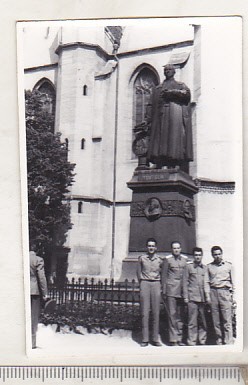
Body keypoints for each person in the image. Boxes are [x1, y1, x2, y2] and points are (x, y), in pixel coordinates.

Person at [146, 64, 193, 169]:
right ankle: (160, 161)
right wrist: (147, 119)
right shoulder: (158, 88)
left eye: (169, 70)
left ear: (174, 72)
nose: (167, 71)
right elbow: (150, 105)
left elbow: (187, 94)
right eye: (166, 70)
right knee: (160, 139)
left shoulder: (180, 85)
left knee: (174, 138)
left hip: (174, 114)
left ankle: (174, 161)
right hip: (160, 116)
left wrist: (173, 92)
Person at [137, 238, 163, 347]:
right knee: (145, 312)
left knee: (156, 312)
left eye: (153, 246)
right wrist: (142, 283)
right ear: (146, 247)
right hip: (145, 283)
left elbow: (163, 272)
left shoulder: (160, 260)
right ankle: (145, 339)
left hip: (156, 283)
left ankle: (155, 338)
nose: (151, 248)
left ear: (156, 247)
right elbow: (138, 272)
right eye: (149, 246)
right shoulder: (142, 259)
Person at [161, 241, 187, 345]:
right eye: (174, 248)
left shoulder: (185, 260)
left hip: (182, 291)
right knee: (172, 315)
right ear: (172, 250)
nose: (176, 250)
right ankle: (173, 339)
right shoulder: (168, 260)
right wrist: (164, 291)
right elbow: (163, 276)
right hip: (171, 290)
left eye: (178, 248)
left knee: (181, 315)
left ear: (180, 249)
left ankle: (179, 338)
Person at [207, 246, 234, 345]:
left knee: (227, 318)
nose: (217, 256)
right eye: (215, 254)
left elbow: (233, 282)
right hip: (213, 292)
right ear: (212, 255)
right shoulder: (209, 267)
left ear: (222, 254)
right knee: (216, 319)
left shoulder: (228, 266)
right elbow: (207, 282)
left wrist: (232, 296)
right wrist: (208, 296)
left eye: (219, 254)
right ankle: (219, 340)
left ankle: (228, 341)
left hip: (224, 292)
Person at [183, 247, 210, 346]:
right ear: (193, 256)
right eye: (196, 255)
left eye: (199, 255)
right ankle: (192, 341)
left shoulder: (205, 268)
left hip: (202, 298)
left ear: (202, 256)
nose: (197, 257)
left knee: (203, 321)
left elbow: (207, 282)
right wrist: (186, 296)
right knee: (192, 322)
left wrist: (207, 297)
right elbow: (185, 282)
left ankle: (202, 340)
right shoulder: (189, 267)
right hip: (192, 298)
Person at [30, 249, 48, 349]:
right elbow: (41, 277)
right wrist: (45, 293)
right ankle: (31, 343)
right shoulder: (37, 260)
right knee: (33, 318)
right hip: (33, 291)